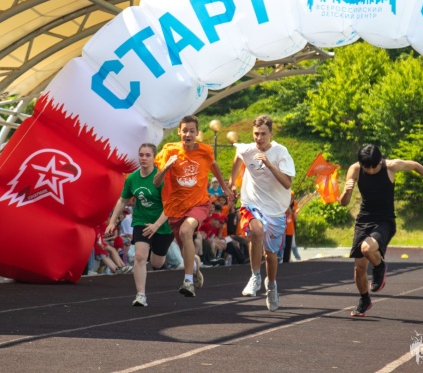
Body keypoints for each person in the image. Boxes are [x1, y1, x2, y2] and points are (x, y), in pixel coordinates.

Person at [339, 144, 423, 317]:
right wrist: (347, 191)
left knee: (367, 249)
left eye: (374, 167)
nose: (370, 171)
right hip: (364, 220)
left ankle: (380, 267)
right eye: (367, 168)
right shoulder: (355, 169)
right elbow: (343, 203)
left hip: (385, 221)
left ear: (380, 161)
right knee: (359, 268)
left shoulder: (391, 166)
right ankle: (365, 300)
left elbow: (415, 165)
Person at [154, 115, 234, 297]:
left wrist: (224, 187)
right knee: (185, 247)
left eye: (192, 131)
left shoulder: (205, 151)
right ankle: (195, 266)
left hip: (199, 203)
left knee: (186, 231)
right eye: (185, 131)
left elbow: (213, 165)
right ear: (179, 132)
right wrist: (166, 168)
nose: (188, 134)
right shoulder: (169, 151)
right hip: (176, 207)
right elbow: (156, 182)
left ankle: (188, 281)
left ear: (197, 133)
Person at [229, 115, 295, 312]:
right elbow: (238, 157)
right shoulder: (248, 149)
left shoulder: (281, 152)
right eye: (256, 134)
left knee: (271, 255)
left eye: (263, 134)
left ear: (271, 134)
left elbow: (287, 183)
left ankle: (271, 286)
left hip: (275, 209)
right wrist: (233, 182)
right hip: (252, 203)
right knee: (256, 231)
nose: (259, 138)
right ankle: (255, 276)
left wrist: (269, 164)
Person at [106, 143, 174, 307]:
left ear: (154, 158)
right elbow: (123, 200)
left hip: (162, 224)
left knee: (157, 263)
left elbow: (171, 206)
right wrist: (112, 222)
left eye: (147, 155)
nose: (143, 158)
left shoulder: (161, 178)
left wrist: (156, 225)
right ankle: (140, 295)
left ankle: (191, 260)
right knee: (140, 256)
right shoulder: (132, 178)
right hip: (141, 221)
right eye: (141, 155)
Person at [280, 191, 299, 263]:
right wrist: (288, 206)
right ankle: (280, 258)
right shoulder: (282, 203)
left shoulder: (294, 204)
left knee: (288, 246)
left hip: (290, 228)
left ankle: (287, 260)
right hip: (282, 228)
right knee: (282, 245)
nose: (291, 198)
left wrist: (294, 212)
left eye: (292, 197)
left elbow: (296, 218)